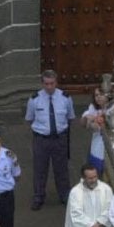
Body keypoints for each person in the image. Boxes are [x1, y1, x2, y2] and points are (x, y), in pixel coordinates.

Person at [25, 70, 76, 211]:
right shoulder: (34, 99)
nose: (49, 87)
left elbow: (70, 117)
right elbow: (29, 119)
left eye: (52, 83)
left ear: (56, 82)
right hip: (41, 140)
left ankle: (65, 195)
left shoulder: (65, 98)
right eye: (46, 84)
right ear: (42, 84)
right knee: (40, 169)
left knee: (62, 168)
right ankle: (38, 196)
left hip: (60, 138)